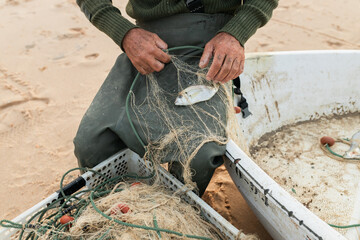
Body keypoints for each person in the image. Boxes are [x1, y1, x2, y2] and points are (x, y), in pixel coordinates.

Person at [74, 0, 278, 196]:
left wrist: (235, 34)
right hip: (145, 48)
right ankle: (117, 207)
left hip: (209, 47)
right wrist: (125, 34)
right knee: (91, 143)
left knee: (200, 154)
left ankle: (181, 208)